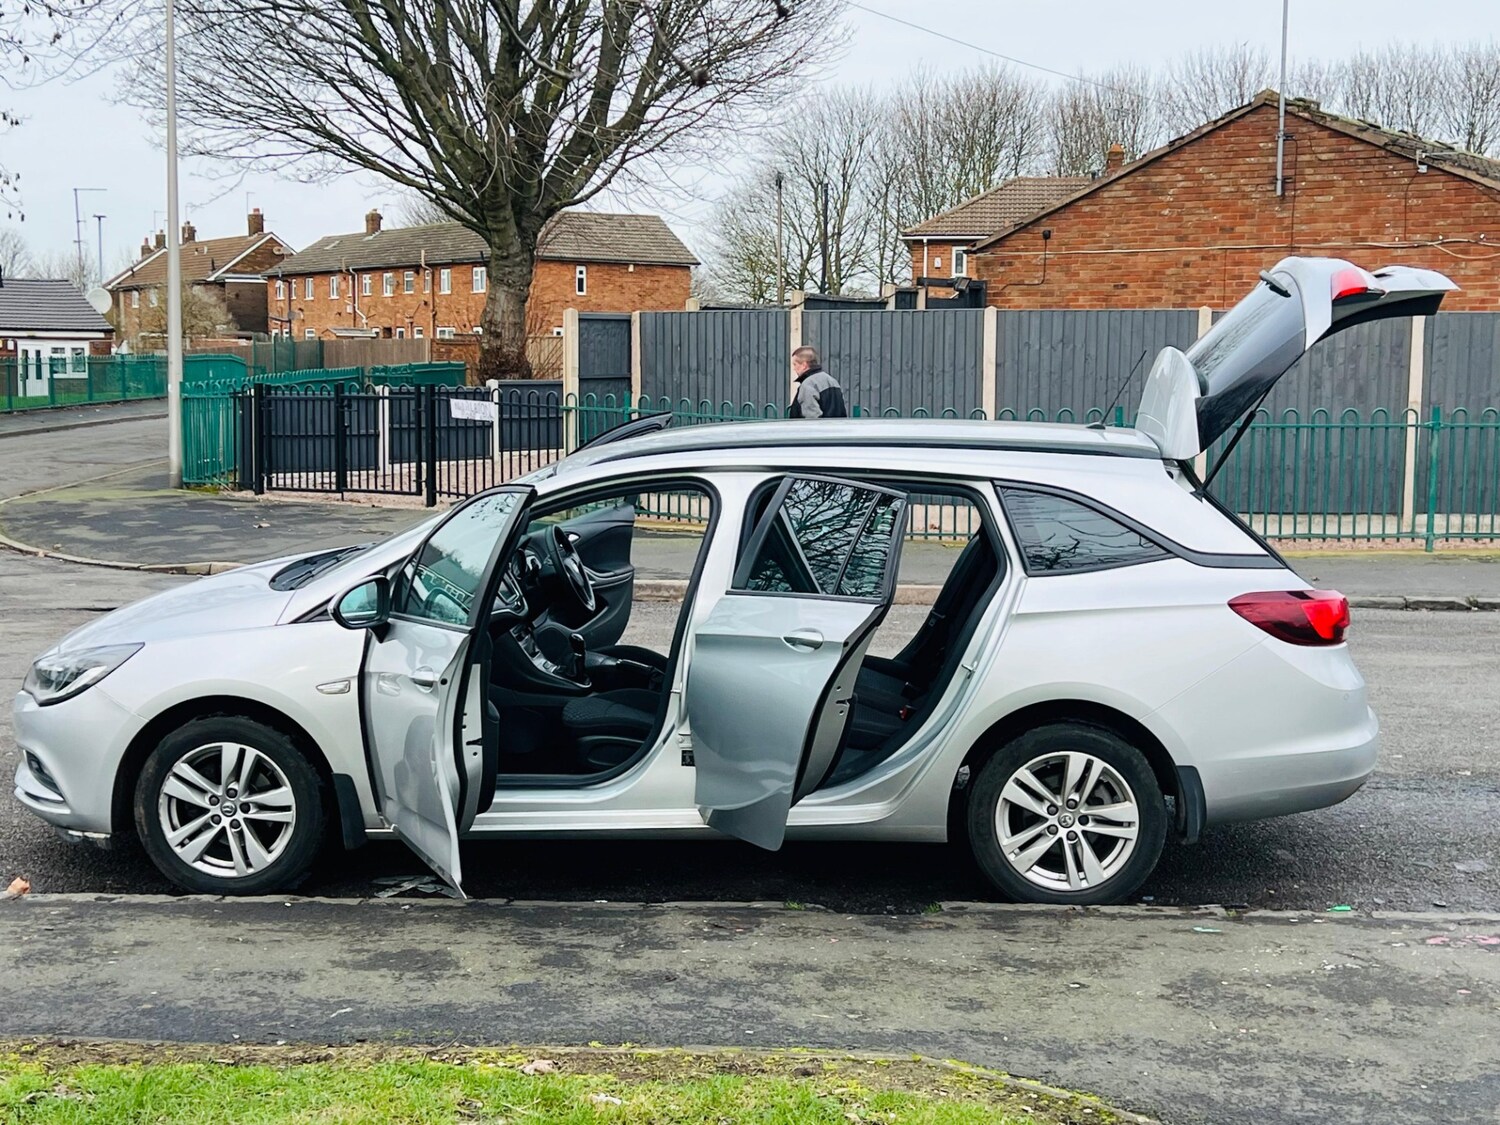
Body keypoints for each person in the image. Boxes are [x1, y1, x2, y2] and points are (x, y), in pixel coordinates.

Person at [789, 346, 848, 419]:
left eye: (795, 364)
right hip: (837, 428)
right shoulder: (832, 381)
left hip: (817, 429)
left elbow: (811, 417)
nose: (794, 368)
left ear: (804, 365)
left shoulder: (808, 384)